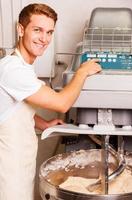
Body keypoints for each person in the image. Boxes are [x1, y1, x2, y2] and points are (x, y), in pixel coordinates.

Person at [0, 3, 101, 200]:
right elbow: (63, 103)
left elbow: (13, 108)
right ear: (21, 29)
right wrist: (81, 72)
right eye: (37, 30)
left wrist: (43, 123)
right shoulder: (13, 70)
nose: (44, 39)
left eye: (49, 32)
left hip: (20, 163)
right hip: (8, 167)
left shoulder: (23, 67)